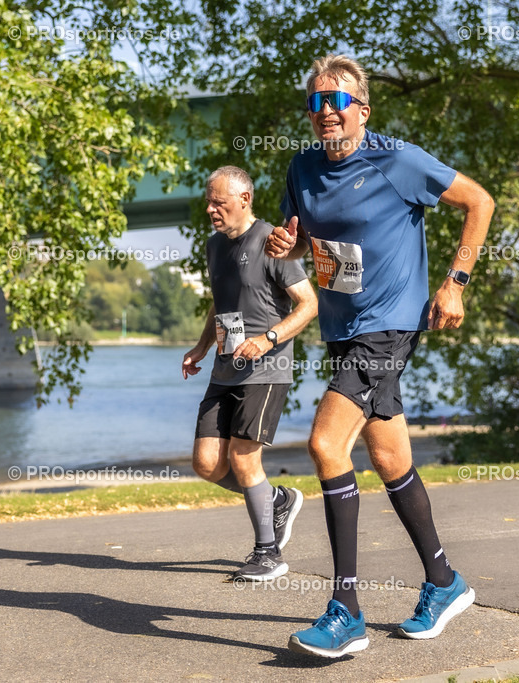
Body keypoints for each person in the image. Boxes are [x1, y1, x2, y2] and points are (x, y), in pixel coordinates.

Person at [265, 55, 495, 657]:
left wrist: (455, 283)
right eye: (315, 103)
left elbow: (480, 202)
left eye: (335, 101)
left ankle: (346, 612)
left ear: (361, 110)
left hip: (389, 326)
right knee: (389, 455)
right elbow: (302, 242)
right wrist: (285, 243)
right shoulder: (303, 168)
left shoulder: (399, 160)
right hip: (344, 327)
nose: (324, 113)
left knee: (324, 444)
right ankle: (444, 582)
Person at [183, 166, 318, 581]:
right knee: (206, 463)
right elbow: (220, 303)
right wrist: (201, 346)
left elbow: (309, 305)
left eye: (218, 203)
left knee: (244, 459)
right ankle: (275, 500)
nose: (210, 209)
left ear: (244, 199)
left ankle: (268, 554)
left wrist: (269, 339)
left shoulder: (271, 242)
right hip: (225, 368)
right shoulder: (213, 246)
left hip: (266, 369)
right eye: (209, 202)